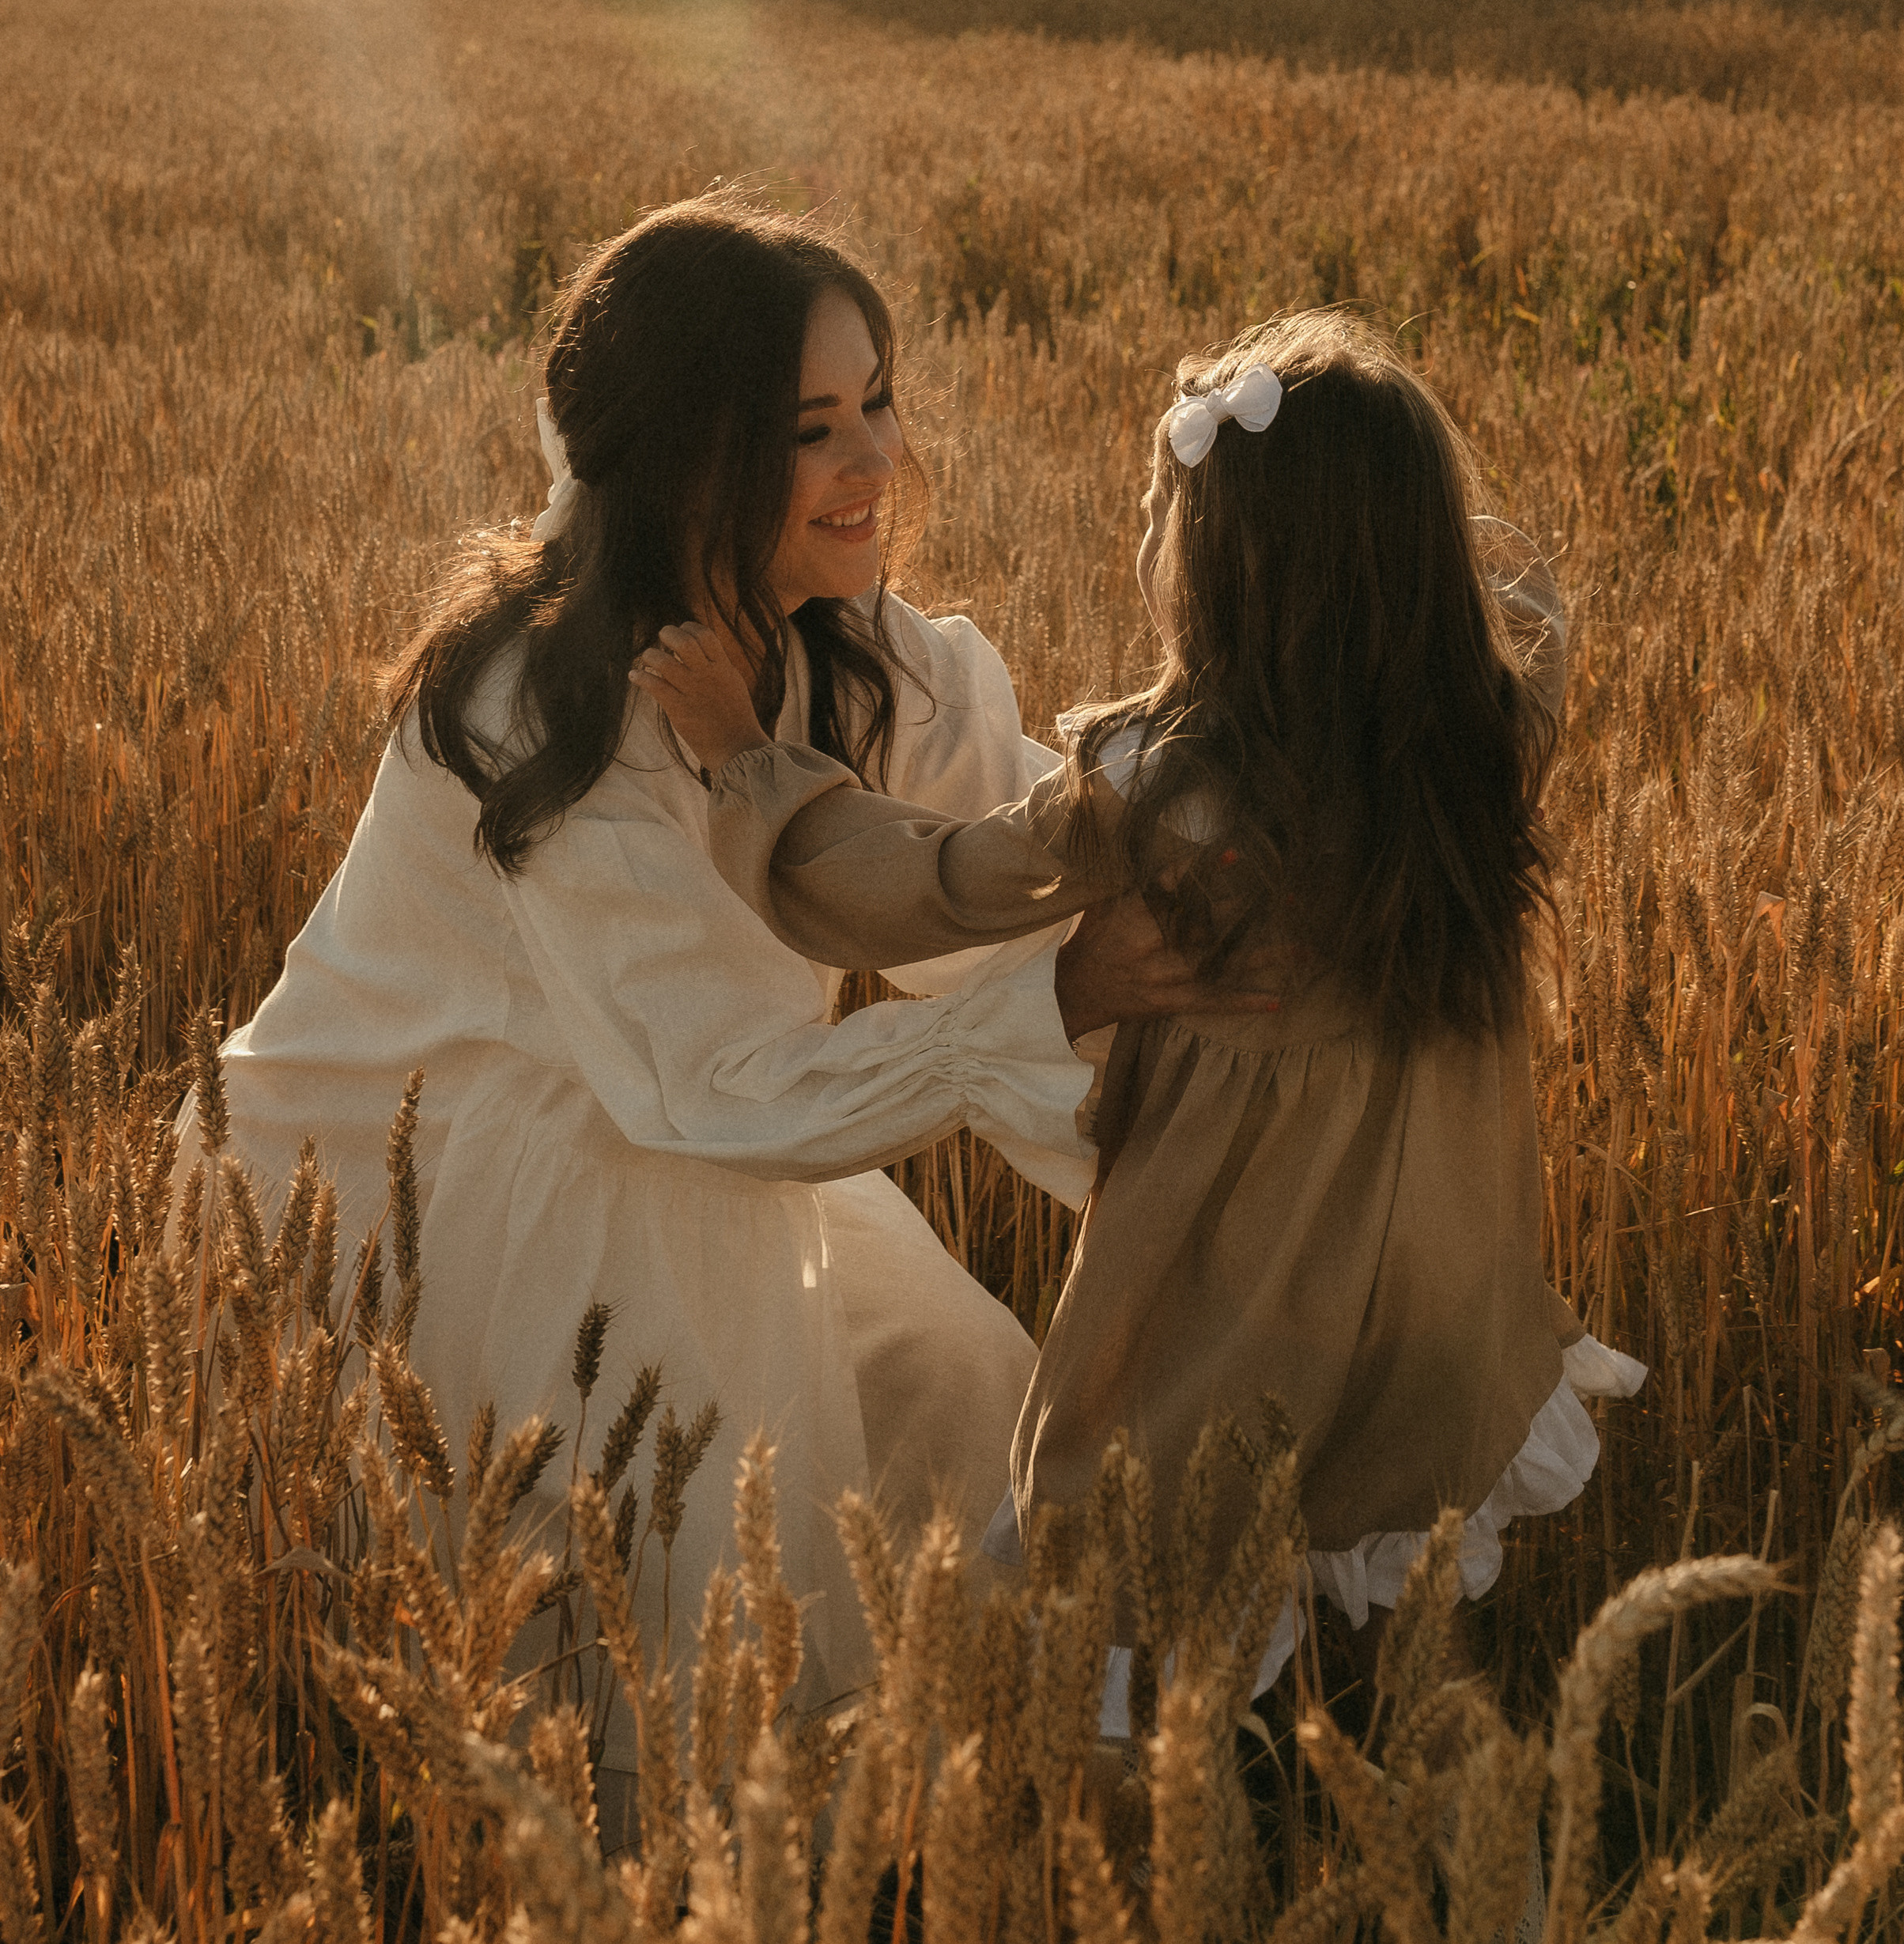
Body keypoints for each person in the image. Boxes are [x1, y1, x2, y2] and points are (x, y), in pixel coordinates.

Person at [195, 196, 1277, 1734]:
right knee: (677, 1618)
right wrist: (1066, 1006)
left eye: (880, 403)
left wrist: (1221, 871)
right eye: (810, 428)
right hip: (482, 1185)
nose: (874, 461)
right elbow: (703, 1083)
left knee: (969, 1392)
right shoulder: (543, 701)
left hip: (733, 1138)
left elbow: (1009, 867)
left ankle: (1040, 1802)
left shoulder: (848, 646)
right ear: (694, 454)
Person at [632, 306, 1645, 1726]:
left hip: (1230, 1287)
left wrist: (746, 756)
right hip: (1435, 1278)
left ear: (1221, 578)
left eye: (1165, 514)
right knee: (1403, 1641)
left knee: (1118, 1611)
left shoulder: (1157, 793)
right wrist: (1406, 566)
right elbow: (1532, 601)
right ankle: (1492, 1915)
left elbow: (921, 886)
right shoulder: (1484, 736)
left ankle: (1113, 1866)